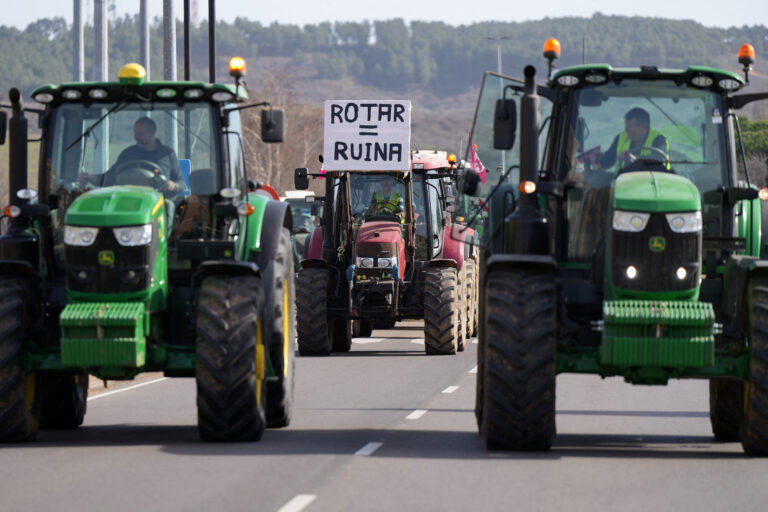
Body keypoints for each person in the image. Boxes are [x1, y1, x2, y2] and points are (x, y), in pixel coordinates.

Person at [83, 117, 186, 195]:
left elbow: (181, 182)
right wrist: (91, 178)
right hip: (128, 200)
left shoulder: (167, 154)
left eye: (140, 134)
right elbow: (110, 178)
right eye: (135, 133)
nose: (136, 137)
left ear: (152, 133)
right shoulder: (127, 154)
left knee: (169, 208)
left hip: (160, 202)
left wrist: (174, 185)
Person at [598, 107, 669, 172]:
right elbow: (609, 159)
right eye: (626, 125)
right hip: (623, 183)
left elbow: (659, 157)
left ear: (643, 127)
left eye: (630, 126)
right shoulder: (621, 137)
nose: (626, 129)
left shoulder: (659, 139)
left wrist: (636, 158)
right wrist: (597, 161)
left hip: (654, 183)